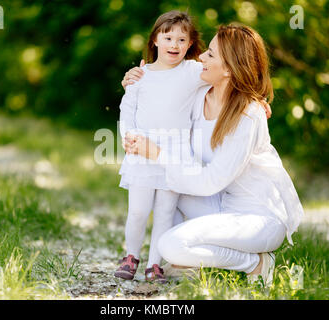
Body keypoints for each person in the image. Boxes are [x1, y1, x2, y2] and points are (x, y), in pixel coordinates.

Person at [123, 24, 304, 287]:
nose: (200, 58)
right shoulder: (200, 96)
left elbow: (209, 180)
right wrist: (136, 79)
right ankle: (192, 259)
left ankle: (255, 263)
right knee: (161, 189)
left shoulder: (248, 115)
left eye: (210, 54)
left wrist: (158, 153)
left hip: (256, 218)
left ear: (229, 68)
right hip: (218, 205)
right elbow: (161, 96)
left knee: (170, 245)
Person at [115, 10, 207, 283]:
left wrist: (256, 98)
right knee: (139, 211)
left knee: (165, 212)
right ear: (155, 39)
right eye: (168, 38)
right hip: (142, 150)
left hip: (174, 154)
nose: (174, 45)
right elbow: (127, 108)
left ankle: (154, 265)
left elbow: (225, 75)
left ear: (190, 44)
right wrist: (129, 136)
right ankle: (131, 256)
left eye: (182, 40)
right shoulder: (140, 75)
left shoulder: (192, 71)